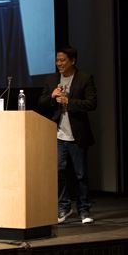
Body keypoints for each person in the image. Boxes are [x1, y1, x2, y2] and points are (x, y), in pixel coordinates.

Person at [38, 46, 97, 225]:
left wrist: (69, 102)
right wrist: (51, 96)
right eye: (57, 60)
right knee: (58, 171)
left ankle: (84, 210)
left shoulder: (84, 78)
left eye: (63, 60)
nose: (59, 64)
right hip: (58, 134)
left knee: (80, 174)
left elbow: (91, 103)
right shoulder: (52, 79)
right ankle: (64, 207)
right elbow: (41, 103)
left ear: (73, 61)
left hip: (77, 135)